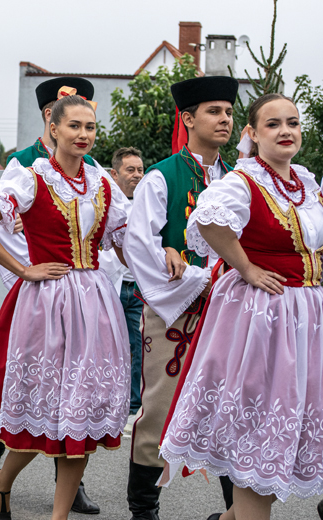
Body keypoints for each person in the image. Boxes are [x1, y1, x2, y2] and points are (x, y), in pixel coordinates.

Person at [0, 88, 131, 520]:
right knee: (42, 411)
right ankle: (1, 481)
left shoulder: (103, 182)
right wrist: (23, 269)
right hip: (46, 304)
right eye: (74, 126)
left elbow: (129, 242)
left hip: (95, 304)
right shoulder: (30, 175)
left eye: (90, 127)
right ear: (52, 128)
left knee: (81, 416)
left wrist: (163, 260)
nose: (84, 134)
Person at [159, 93, 323, 520]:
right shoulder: (244, 180)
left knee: (287, 425)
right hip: (265, 319)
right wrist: (247, 268)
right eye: (273, 124)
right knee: (260, 430)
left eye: (292, 122)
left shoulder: (305, 182)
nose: (286, 131)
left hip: (305, 315)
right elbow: (209, 221)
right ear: (252, 133)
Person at [123, 76, 239, 520]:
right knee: (159, 409)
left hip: (228, 312)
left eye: (228, 112)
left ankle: (237, 511)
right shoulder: (161, 176)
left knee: (231, 407)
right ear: (188, 119)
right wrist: (196, 275)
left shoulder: (237, 178)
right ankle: (144, 509)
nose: (224, 119)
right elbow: (139, 243)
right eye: (214, 111)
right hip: (177, 311)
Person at [101, 147, 144, 415]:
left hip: (138, 290)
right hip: (110, 286)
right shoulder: (106, 204)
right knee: (108, 345)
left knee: (137, 348)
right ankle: (106, 399)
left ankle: (133, 405)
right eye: (131, 170)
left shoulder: (149, 203)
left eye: (140, 170)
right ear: (115, 174)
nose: (137, 175)